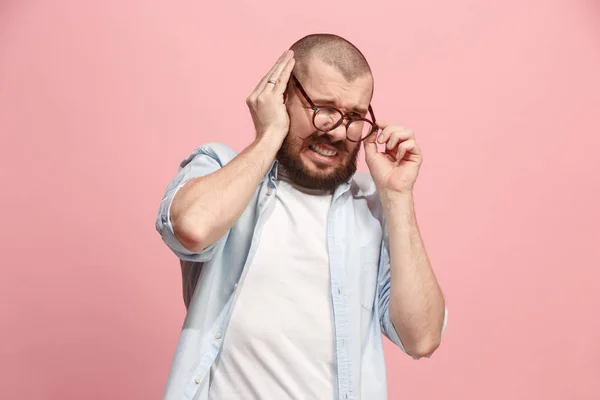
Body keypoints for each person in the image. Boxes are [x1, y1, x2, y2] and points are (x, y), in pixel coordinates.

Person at [155, 33, 448, 400]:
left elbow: (421, 337)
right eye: (324, 109)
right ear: (283, 96)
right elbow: (191, 229)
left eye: (355, 116)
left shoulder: (375, 207)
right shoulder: (220, 168)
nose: (339, 132)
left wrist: (398, 196)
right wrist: (269, 136)